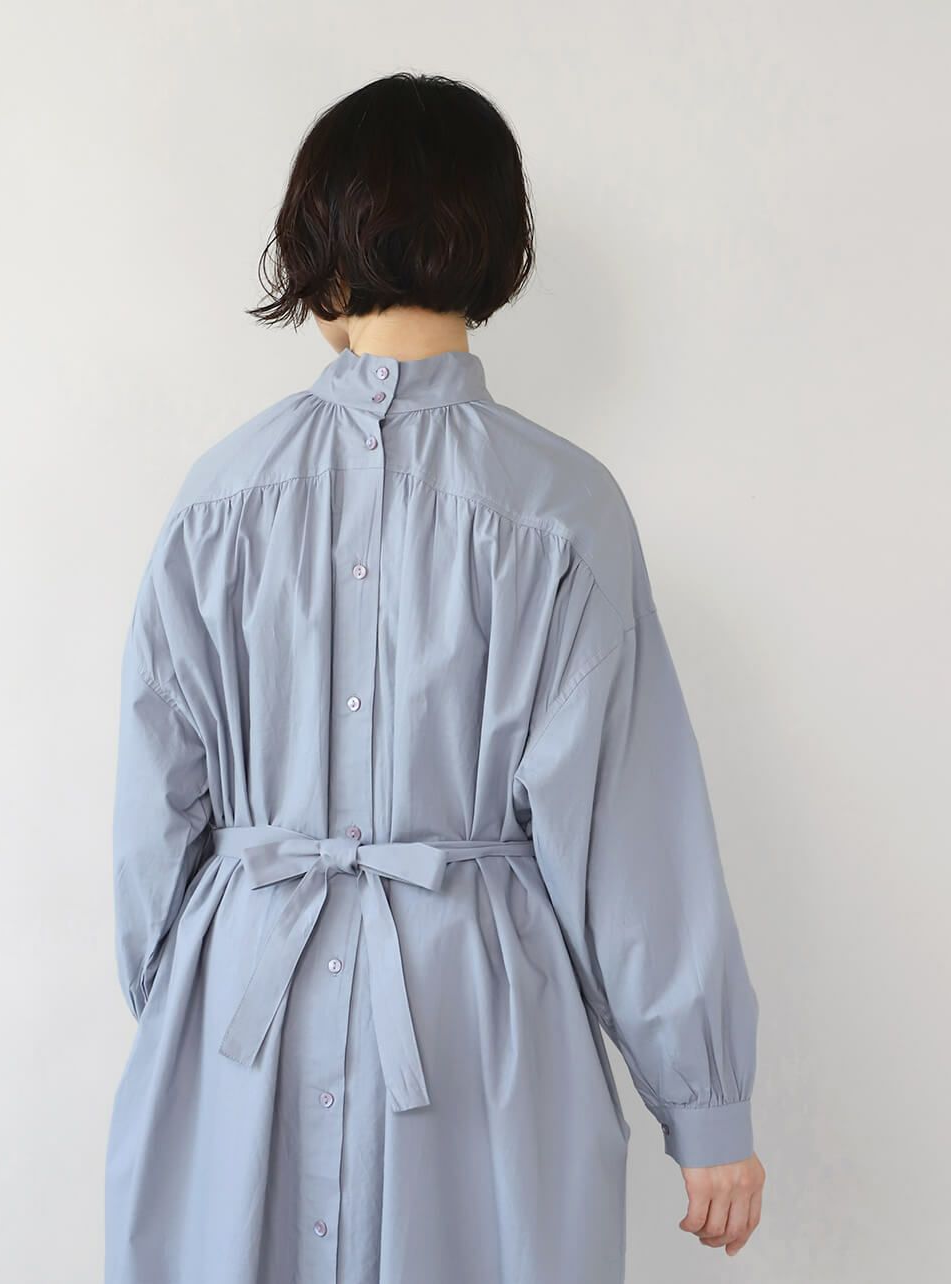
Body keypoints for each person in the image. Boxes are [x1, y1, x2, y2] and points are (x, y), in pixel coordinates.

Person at [104, 71, 764, 1284]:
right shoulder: (562, 508)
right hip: (480, 1023)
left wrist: (184, 995)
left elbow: (157, 808)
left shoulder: (218, 496)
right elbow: (627, 833)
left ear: (316, 247)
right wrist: (703, 1102)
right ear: (493, 245)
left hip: (245, 1012)